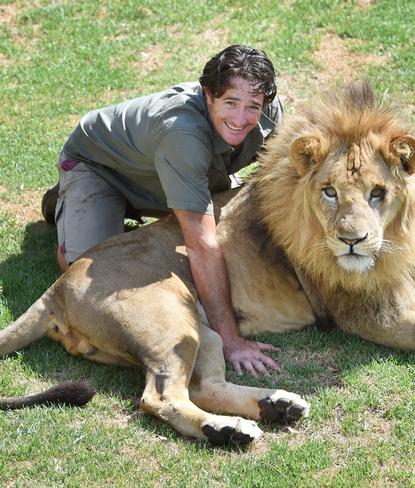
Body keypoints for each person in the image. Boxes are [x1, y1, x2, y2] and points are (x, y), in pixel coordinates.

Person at [41, 44, 282, 376]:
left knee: (216, 205)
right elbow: (201, 246)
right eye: (230, 103)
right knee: (88, 271)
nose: (241, 119)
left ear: (266, 103)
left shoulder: (270, 115)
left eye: (252, 106)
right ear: (208, 95)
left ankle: (167, 192)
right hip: (100, 167)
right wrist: (230, 339)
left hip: (176, 170)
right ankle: (71, 199)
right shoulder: (181, 133)